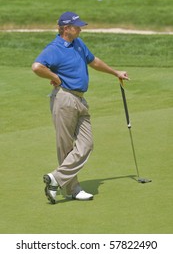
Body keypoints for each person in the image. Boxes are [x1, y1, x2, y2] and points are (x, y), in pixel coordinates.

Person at [32, 11, 129, 204]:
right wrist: (54, 77)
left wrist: (115, 72)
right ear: (66, 28)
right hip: (64, 99)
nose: (80, 28)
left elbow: (94, 61)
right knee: (66, 147)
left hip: (80, 100)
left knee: (87, 144)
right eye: (77, 26)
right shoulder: (54, 48)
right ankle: (72, 188)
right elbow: (37, 67)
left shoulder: (78, 44)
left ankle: (55, 179)